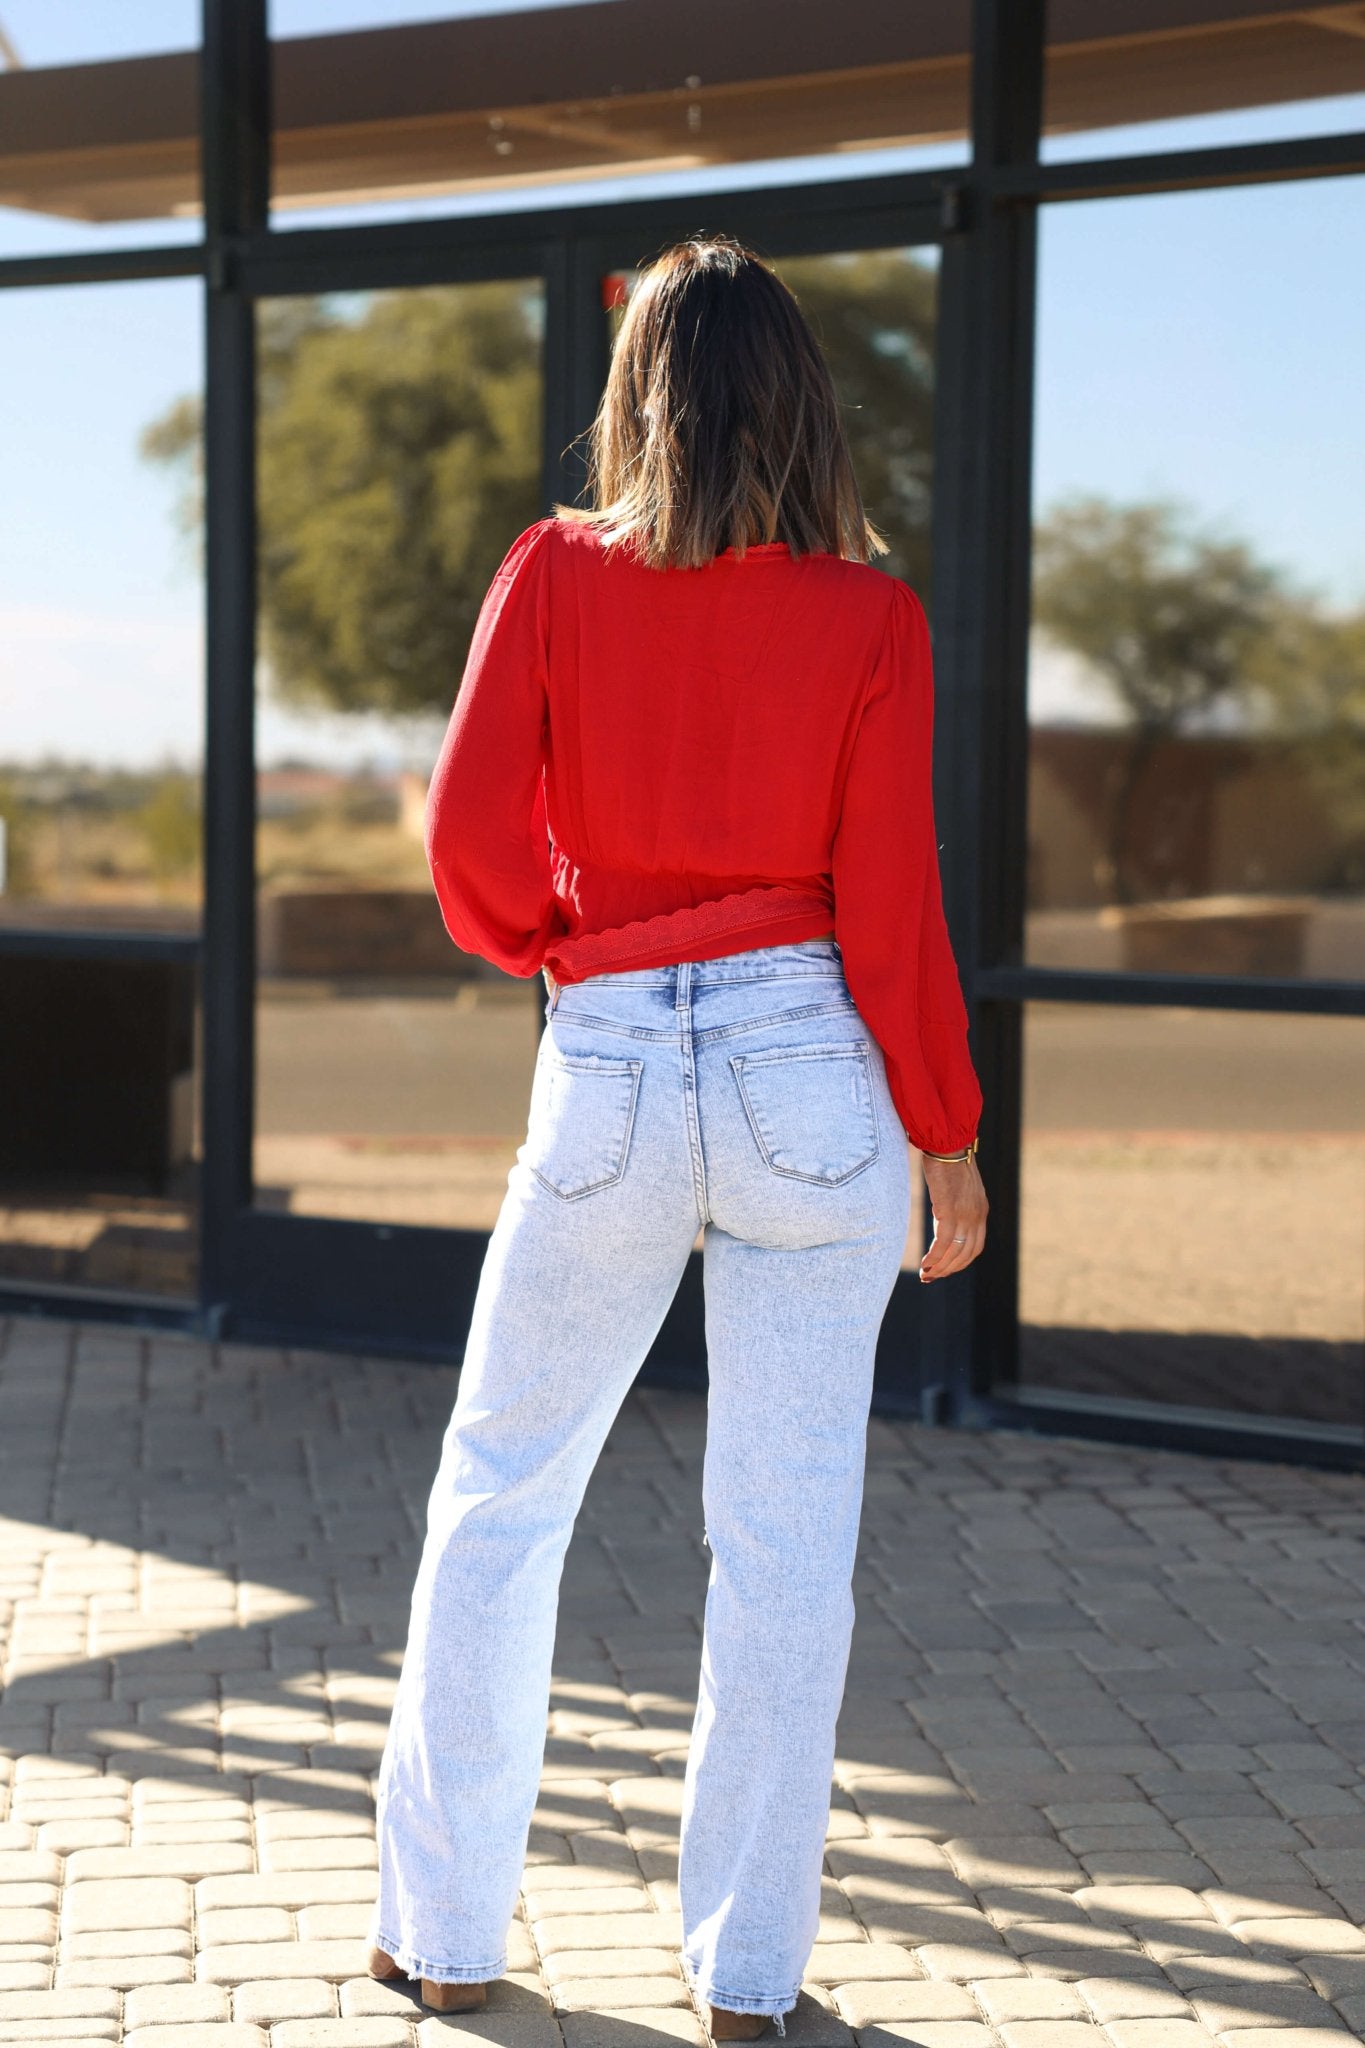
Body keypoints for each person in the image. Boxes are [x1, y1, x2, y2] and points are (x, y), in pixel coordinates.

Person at [367, 233, 987, 2040]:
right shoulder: (875, 618)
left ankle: (447, 1933)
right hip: (815, 1072)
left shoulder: (553, 576)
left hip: (614, 1060)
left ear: (636, 396)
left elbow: (470, 855)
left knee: (497, 1502)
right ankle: (745, 1981)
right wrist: (940, 1132)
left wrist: (577, 955)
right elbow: (893, 902)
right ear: (802, 402)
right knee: (783, 1543)